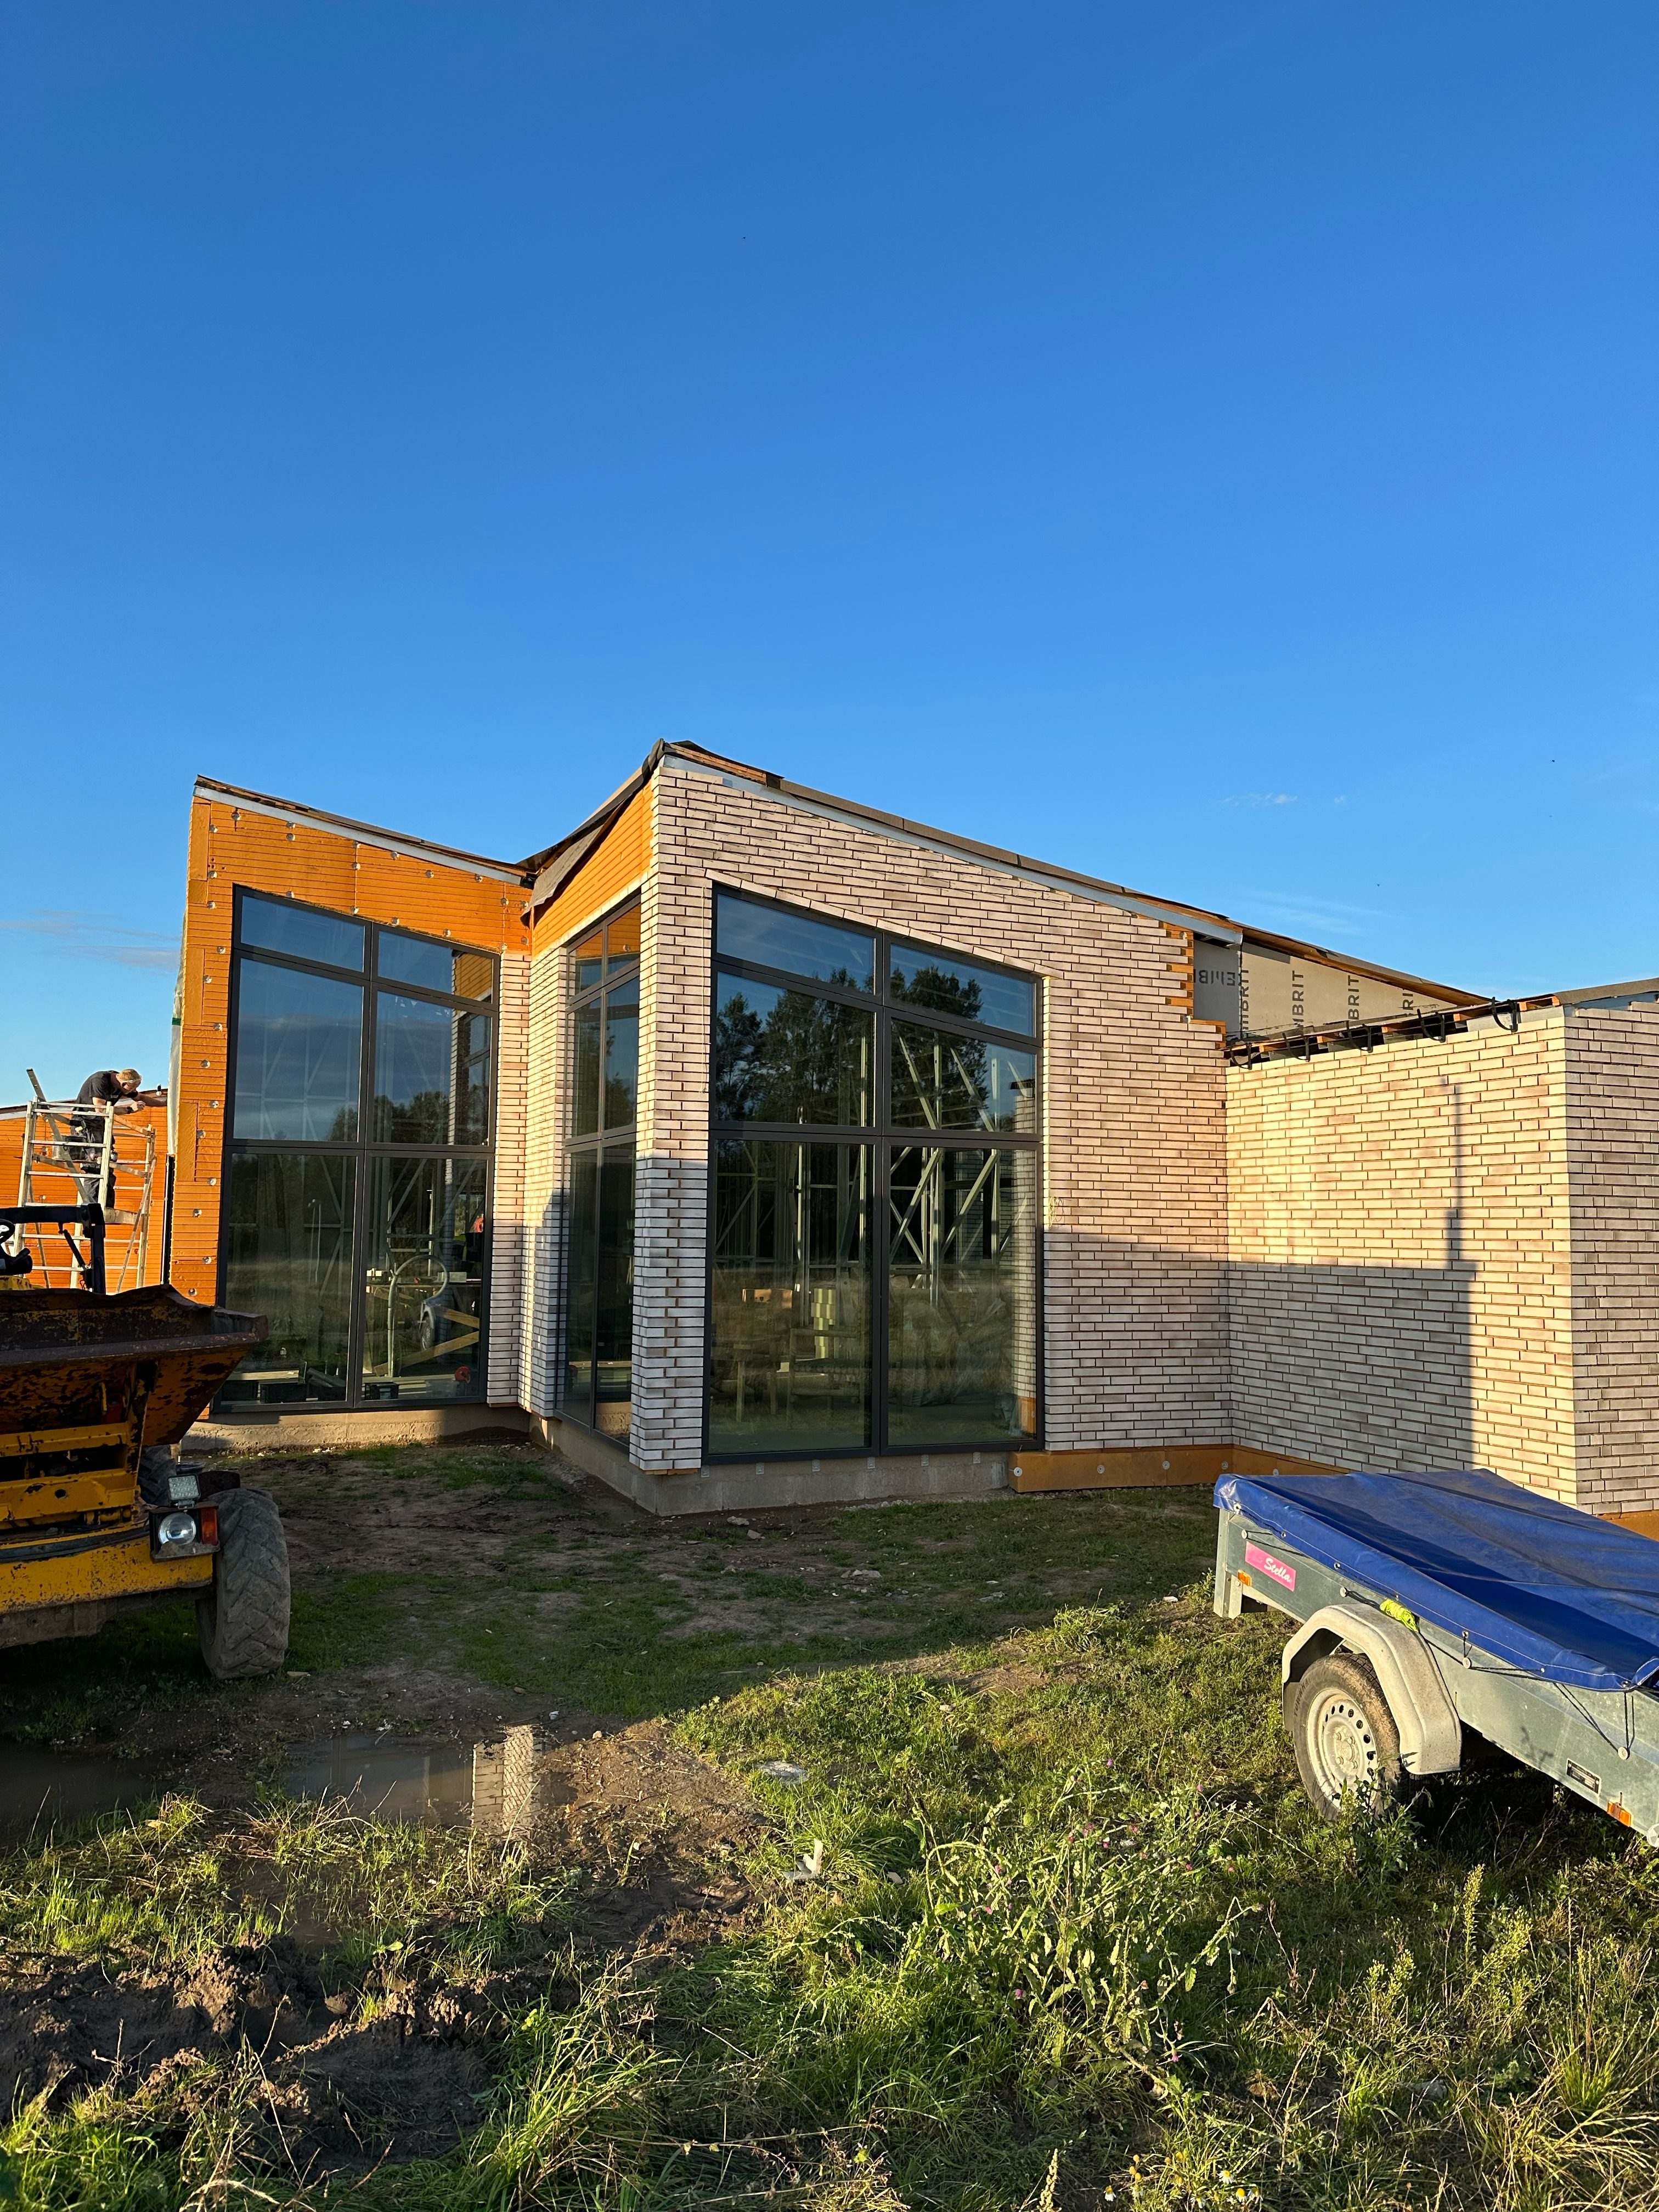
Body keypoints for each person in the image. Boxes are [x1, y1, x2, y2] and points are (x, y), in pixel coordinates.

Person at [70, 1069, 163, 1204]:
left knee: (108, 1164)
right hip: (85, 1124)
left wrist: (165, 1103)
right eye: (131, 1089)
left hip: (100, 1126)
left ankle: (106, 1206)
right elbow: (101, 1110)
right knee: (96, 1166)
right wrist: (129, 1109)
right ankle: (92, 1208)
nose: (132, 1092)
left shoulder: (122, 1084)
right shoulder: (100, 1080)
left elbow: (141, 1098)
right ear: (124, 1084)